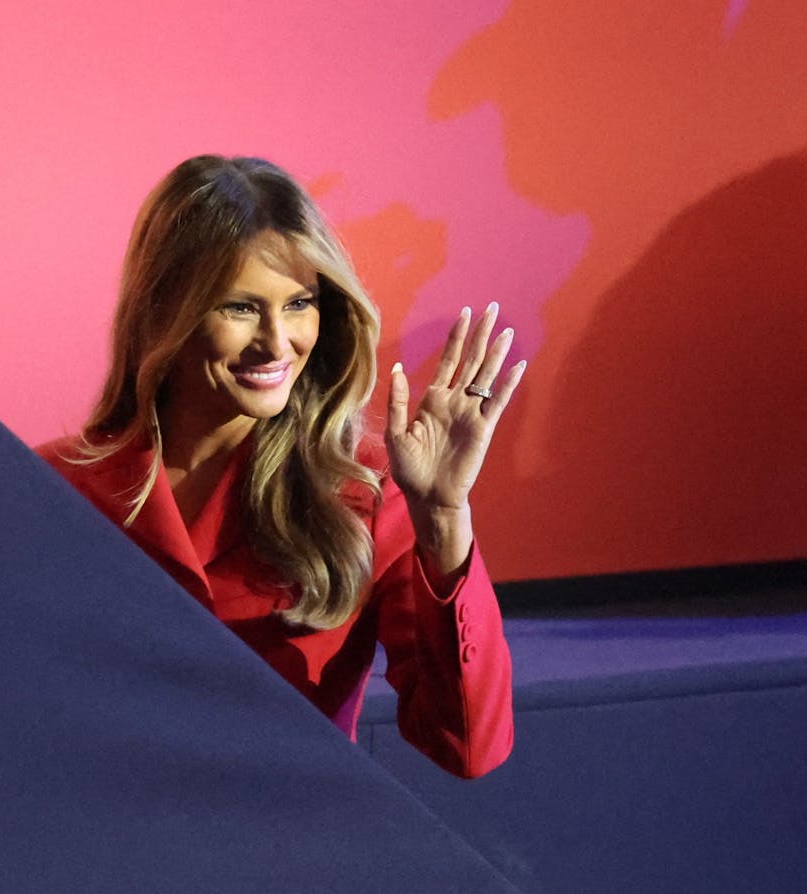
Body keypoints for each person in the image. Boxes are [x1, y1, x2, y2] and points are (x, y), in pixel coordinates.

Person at [37, 155, 524, 778]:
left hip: (291, 860)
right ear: (166, 309)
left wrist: (445, 519)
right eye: (239, 307)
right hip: (104, 850)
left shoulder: (368, 494)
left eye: (300, 303)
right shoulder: (57, 486)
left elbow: (467, 748)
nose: (277, 341)